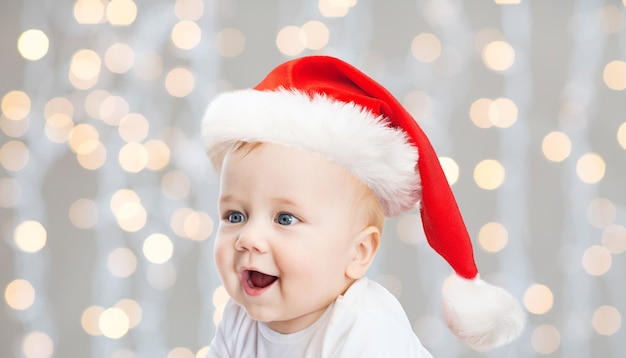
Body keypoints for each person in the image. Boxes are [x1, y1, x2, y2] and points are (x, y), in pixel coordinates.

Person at [201, 56, 525, 357]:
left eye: (285, 218)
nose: (248, 238)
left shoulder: (367, 328)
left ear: (358, 253)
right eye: (235, 215)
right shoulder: (238, 320)